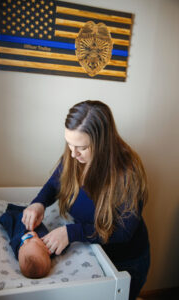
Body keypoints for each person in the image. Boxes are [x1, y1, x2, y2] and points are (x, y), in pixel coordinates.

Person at [22, 100, 150, 299]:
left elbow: (124, 232)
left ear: (102, 144)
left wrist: (73, 232)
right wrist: (39, 203)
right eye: (69, 144)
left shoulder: (128, 173)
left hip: (125, 261)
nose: (73, 154)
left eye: (81, 147)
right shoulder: (74, 157)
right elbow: (53, 185)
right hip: (94, 251)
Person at [0, 203, 51, 278]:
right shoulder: (48, 244)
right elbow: (61, 245)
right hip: (33, 219)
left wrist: (23, 237)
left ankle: (12, 213)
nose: (26, 240)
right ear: (47, 250)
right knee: (27, 213)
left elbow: (13, 242)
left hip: (19, 224)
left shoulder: (19, 250)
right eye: (33, 241)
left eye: (22, 246)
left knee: (9, 219)